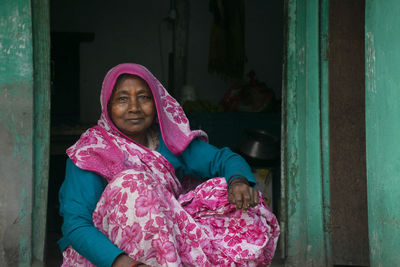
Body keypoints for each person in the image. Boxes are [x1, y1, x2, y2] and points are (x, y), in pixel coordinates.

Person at [58, 63, 279, 267]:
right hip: (105, 256)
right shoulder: (92, 150)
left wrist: (238, 181)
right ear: (107, 106)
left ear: (156, 104)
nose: (134, 107)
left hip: (166, 239)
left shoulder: (169, 141)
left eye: (143, 97)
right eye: (122, 99)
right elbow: (76, 225)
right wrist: (122, 263)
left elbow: (224, 159)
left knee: (229, 194)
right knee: (133, 182)